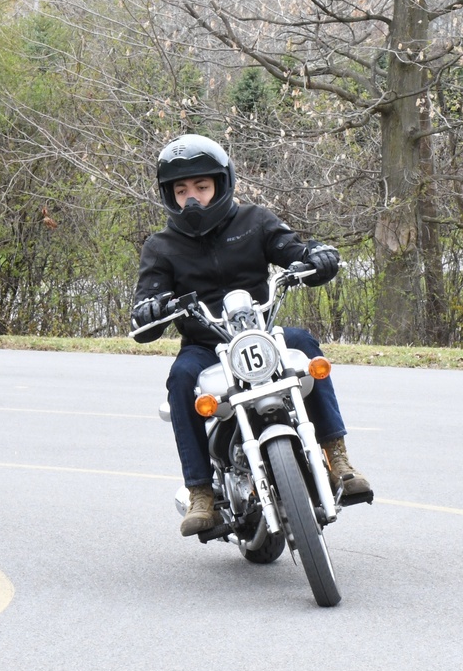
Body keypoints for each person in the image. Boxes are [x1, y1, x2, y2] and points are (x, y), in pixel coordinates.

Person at [131, 133, 372, 536]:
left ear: (222, 185)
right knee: (180, 378)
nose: (192, 199)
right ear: (169, 195)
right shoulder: (161, 246)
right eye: (182, 190)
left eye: (202, 187)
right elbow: (146, 303)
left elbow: (290, 248)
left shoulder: (254, 220)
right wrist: (150, 308)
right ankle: (201, 492)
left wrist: (315, 256)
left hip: (260, 336)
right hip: (206, 346)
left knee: (304, 342)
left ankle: (338, 459)